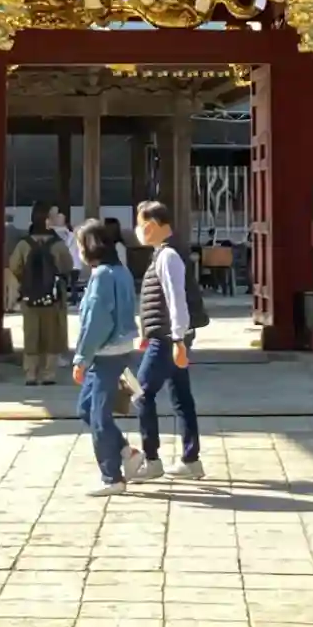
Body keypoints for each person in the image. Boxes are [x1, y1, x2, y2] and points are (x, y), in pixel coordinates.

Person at [130, 199, 206, 480]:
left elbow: (177, 302)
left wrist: (178, 340)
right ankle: (190, 459)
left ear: (151, 225)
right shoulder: (164, 253)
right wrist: (147, 333)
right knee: (181, 397)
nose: (138, 230)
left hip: (169, 338)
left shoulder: (168, 256)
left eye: (140, 224)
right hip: (166, 336)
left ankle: (152, 459)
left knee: (141, 393)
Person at [70, 219, 139, 492]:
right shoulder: (121, 271)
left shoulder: (101, 276)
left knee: (98, 416)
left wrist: (81, 358)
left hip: (105, 353)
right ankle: (126, 452)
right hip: (121, 349)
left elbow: (96, 323)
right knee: (87, 408)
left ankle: (112, 477)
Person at [7, 202, 70, 385]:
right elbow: (67, 265)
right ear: (47, 220)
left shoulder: (24, 244)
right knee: (52, 335)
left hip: (30, 297)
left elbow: (14, 266)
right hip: (54, 298)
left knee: (31, 334)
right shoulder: (58, 244)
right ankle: (49, 373)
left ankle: (31, 374)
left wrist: (27, 279)